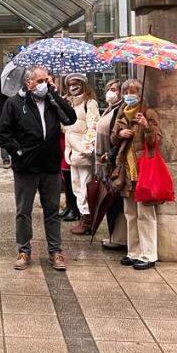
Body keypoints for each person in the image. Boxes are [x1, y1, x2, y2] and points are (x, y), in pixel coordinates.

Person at [0, 66, 75, 272]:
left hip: (50, 165)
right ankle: (24, 250)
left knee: (52, 211)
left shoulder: (51, 102)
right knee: (24, 211)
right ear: (28, 83)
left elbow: (71, 118)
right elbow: (3, 134)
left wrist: (55, 94)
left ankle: (55, 251)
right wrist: (19, 152)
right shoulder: (14, 103)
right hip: (26, 167)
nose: (43, 84)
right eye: (39, 81)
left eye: (46, 80)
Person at [111, 78, 161, 271]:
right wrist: (120, 134)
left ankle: (148, 254)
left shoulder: (148, 113)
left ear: (140, 95)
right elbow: (114, 138)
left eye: (133, 92)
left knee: (145, 214)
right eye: (126, 92)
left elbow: (155, 140)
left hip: (143, 170)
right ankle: (133, 251)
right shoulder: (122, 112)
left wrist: (146, 126)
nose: (129, 95)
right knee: (130, 213)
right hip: (126, 170)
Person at [64, 74, 100, 236]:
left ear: (83, 84)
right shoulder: (69, 103)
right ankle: (83, 216)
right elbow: (65, 127)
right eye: (70, 84)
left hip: (83, 152)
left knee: (85, 187)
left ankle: (87, 219)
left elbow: (93, 127)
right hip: (71, 152)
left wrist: (85, 148)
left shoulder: (90, 103)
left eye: (76, 83)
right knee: (76, 186)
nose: (73, 86)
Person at [96, 79, 127, 251]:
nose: (110, 92)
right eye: (108, 88)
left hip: (113, 160)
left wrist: (111, 154)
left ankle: (119, 237)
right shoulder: (111, 108)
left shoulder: (121, 110)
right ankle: (114, 235)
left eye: (114, 89)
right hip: (105, 161)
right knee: (111, 202)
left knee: (116, 202)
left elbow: (115, 135)